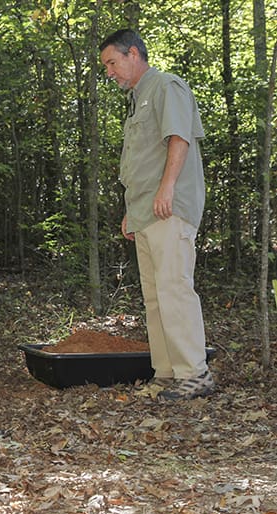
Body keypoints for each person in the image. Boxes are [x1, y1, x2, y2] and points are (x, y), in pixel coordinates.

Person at [99, 29, 213, 400]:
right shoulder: (137, 100)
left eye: (112, 63)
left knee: (175, 289)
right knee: (154, 296)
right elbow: (140, 162)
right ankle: (166, 373)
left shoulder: (166, 86)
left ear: (133, 53)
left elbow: (178, 137)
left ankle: (195, 374)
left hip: (170, 207)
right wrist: (132, 212)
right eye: (106, 67)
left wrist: (167, 188)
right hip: (146, 213)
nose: (110, 72)